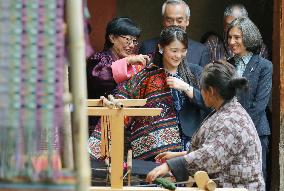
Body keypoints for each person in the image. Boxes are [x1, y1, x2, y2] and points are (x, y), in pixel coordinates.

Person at [88, 26, 207, 161]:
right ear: (161, 48)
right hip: (155, 150)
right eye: (174, 50)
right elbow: (122, 102)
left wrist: (187, 88)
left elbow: (212, 103)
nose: (178, 55)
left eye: (183, 51)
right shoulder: (145, 75)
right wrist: (96, 146)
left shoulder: (195, 73)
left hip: (190, 145)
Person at [146, 61, 265, 190]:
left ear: (211, 91)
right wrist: (179, 155)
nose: (200, 92)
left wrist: (170, 165)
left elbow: (211, 156)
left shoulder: (231, 120)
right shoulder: (227, 110)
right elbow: (218, 149)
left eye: (201, 88)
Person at [226, 17, 272, 187]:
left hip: (256, 132)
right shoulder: (227, 65)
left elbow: (259, 106)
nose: (232, 42)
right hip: (229, 134)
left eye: (237, 37)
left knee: (256, 179)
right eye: (230, 37)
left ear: (249, 37)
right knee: (233, 180)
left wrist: (240, 129)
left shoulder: (264, 66)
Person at [87, 17, 150, 99]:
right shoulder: (98, 59)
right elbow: (101, 78)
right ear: (112, 38)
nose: (131, 45)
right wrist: (127, 61)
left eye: (134, 41)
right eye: (128, 39)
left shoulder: (134, 61)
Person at [139, 0, 210, 67]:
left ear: (187, 21)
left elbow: (204, 79)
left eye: (179, 21)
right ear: (163, 21)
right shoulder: (147, 47)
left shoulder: (201, 51)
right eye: (169, 20)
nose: (174, 24)